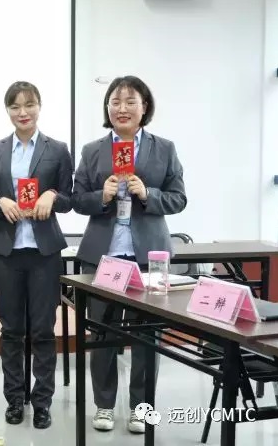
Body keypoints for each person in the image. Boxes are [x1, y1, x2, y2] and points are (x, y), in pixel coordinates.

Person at [72, 75, 186, 434]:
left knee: (146, 335)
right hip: (103, 257)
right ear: (107, 108)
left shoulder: (163, 148)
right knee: (101, 333)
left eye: (130, 101)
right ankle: (104, 406)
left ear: (144, 107)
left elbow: (179, 198)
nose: (122, 108)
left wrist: (148, 193)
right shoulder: (93, 150)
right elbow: (77, 200)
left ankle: (141, 408)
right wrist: (101, 196)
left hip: (148, 258)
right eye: (115, 102)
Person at [0, 81, 73, 429]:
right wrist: (0, 202)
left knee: (44, 329)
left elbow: (70, 197)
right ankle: (15, 399)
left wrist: (52, 195)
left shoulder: (57, 149)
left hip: (44, 251)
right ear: (7, 110)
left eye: (29, 105)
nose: (23, 112)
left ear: (39, 107)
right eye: (15, 106)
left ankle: (43, 401)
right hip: (7, 251)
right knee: (11, 330)